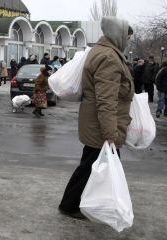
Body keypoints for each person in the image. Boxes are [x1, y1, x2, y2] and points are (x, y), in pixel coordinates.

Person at [58, 17, 134, 219]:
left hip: (98, 123)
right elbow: (106, 100)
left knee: (92, 166)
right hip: (102, 126)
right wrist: (111, 133)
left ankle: (79, 202)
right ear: (119, 35)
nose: (129, 41)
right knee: (92, 167)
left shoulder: (105, 52)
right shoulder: (109, 57)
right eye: (128, 37)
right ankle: (70, 205)